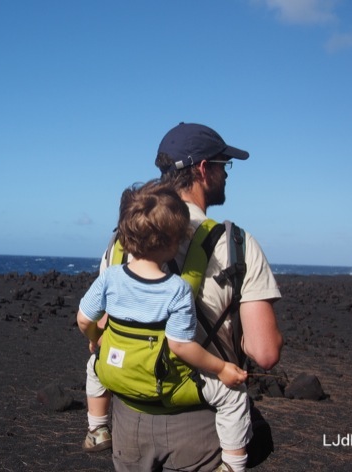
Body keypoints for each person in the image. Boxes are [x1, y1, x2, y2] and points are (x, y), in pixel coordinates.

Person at [83, 122, 283, 471]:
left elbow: (103, 326)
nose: (226, 175)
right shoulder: (235, 245)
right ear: (204, 169)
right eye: (225, 165)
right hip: (200, 423)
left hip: (129, 418)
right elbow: (264, 354)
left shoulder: (122, 241)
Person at [77, 180, 252, 472]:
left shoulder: (110, 278)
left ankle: (97, 429)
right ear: (174, 243)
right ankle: (234, 464)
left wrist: (97, 338)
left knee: (94, 366)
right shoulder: (178, 290)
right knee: (233, 396)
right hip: (167, 383)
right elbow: (181, 346)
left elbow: (83, 319)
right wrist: (222, 369)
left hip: (117, 372)